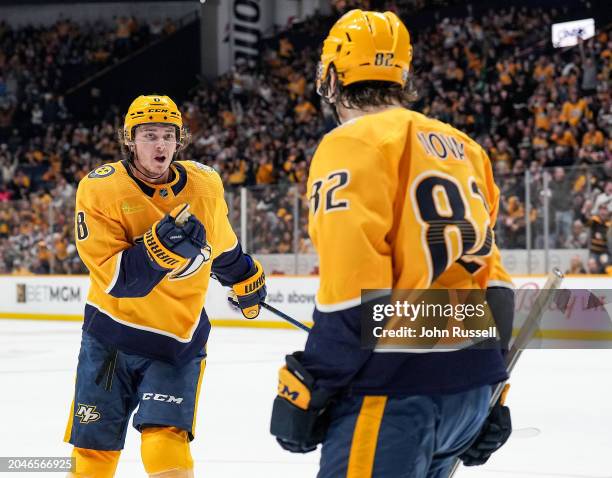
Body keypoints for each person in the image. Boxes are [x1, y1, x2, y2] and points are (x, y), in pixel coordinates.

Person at [270, 10, 515, 477]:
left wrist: (314, 380)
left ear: (332, 76)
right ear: (402, 73)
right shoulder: (466, 148)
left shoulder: (349, 143)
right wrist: (490, 385)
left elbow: (354, 295)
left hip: (393, 396)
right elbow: (496, 287)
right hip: (469, 393)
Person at [64, 95, 266, 478]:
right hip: (110, 343)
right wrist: (159, 250)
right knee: (93, 453)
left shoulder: (205, 185)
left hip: (176, 342)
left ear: (180, 140)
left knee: (164, 439)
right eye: (149, 135)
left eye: (168, 136)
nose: (160, 144)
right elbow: (118, 280)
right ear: (130, 140)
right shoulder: (100, 189)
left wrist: (243, 277)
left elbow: (221, 246)